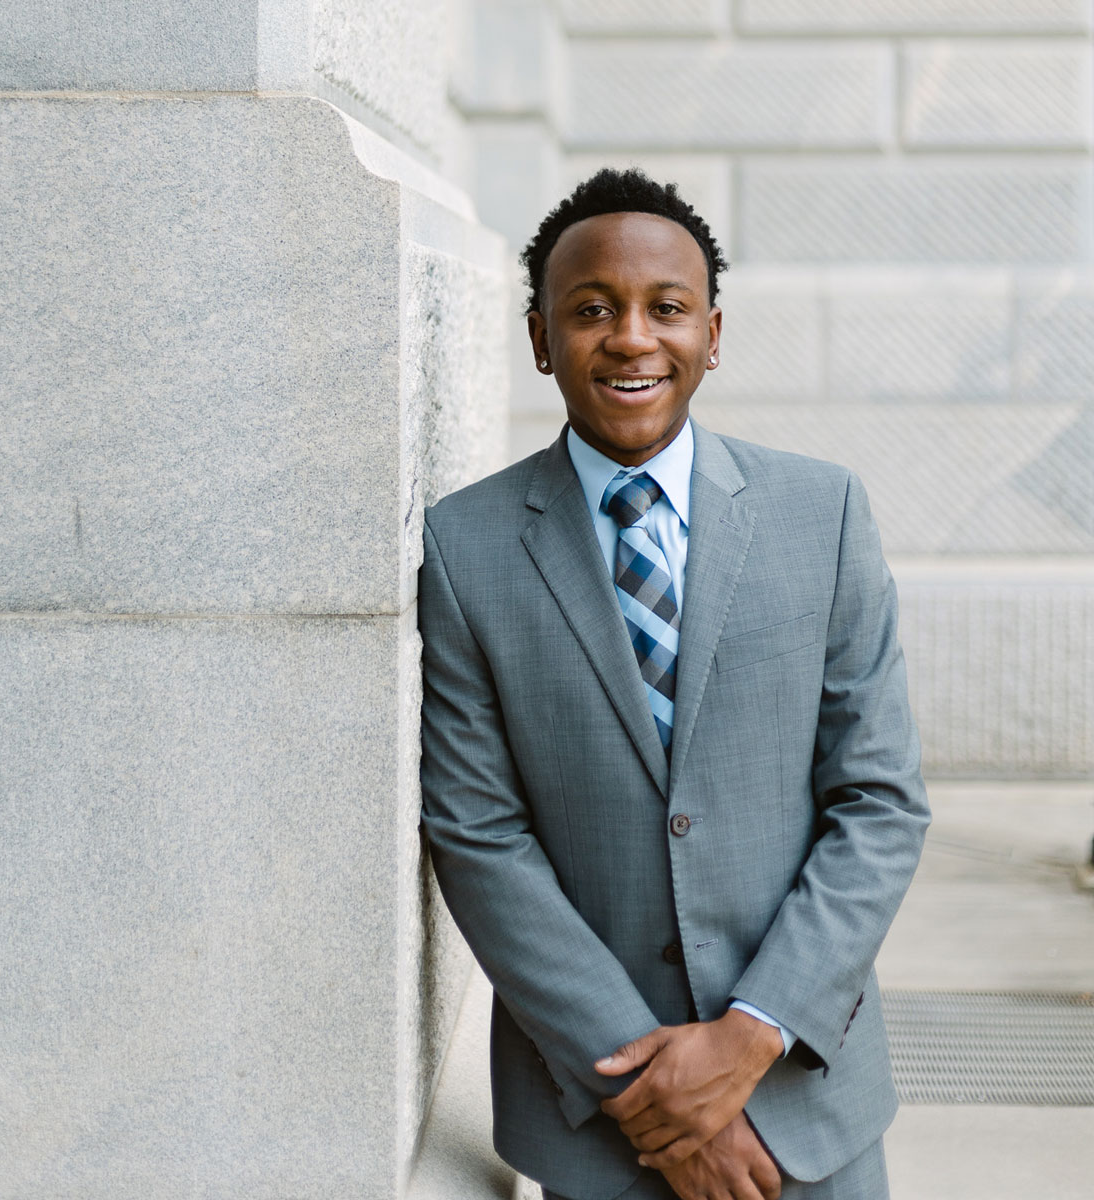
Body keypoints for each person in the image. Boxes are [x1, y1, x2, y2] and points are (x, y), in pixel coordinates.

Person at [418, 168, 930, 1200]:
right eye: (592, 309)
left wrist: (750, 1040)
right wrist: (658, 1100)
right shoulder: (467, 547)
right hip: (598, 1116)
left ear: (713, 330)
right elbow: (479, 833)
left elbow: (879, 803)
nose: (632, 338)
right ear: (539, 339)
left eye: (667, 308)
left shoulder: (820, 514)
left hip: (806, 1102)